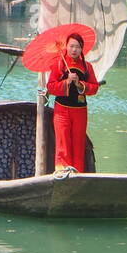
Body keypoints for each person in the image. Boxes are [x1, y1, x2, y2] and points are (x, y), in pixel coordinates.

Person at [44, 33, 99, 173]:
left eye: (77, 47)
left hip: (80, 110)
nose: (74, 50)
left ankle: (78, 172)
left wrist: (80, 84)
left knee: (78, 142)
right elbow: (50, 86)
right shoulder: (59, 64)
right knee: (62, 142)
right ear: (66, 47)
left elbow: (94, 88)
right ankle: (62, 171)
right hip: (61, 109)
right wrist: (67, 82)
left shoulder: (87, 67)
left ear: (82, 49)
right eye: (71, 46)